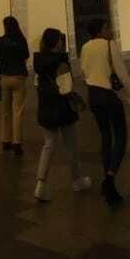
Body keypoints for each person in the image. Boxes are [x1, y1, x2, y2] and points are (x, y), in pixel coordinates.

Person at [79, 19, 130, 206]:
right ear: (99, 31)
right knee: (120, 136)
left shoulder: (85, 47)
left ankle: (108, 180)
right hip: (108, 96)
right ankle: (111, 176)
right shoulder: (108, 45)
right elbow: (122, 74)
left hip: (93, 96)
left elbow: (84, 72)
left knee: (105, 137)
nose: (110, 30)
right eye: (106, 27)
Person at [32, 28, 91, 201]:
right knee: (71, 145)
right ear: (56, 42)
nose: (61, 42)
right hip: (63, 108)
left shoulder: (39, 61)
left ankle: (40, 184)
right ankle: (77, 180)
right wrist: (78, 101)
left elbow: (36, 84)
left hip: (46, 106)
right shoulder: (61, 62)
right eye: (59, 39)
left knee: (48, 145)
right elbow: (66, 88)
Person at [0, 16, 30, 155]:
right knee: (18, 111)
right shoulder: (21, 40)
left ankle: (5, 140)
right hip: (18, 76)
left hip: (4, 76)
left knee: (5, 111)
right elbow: (26, 55)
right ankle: (17, 142)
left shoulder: (1, 40)